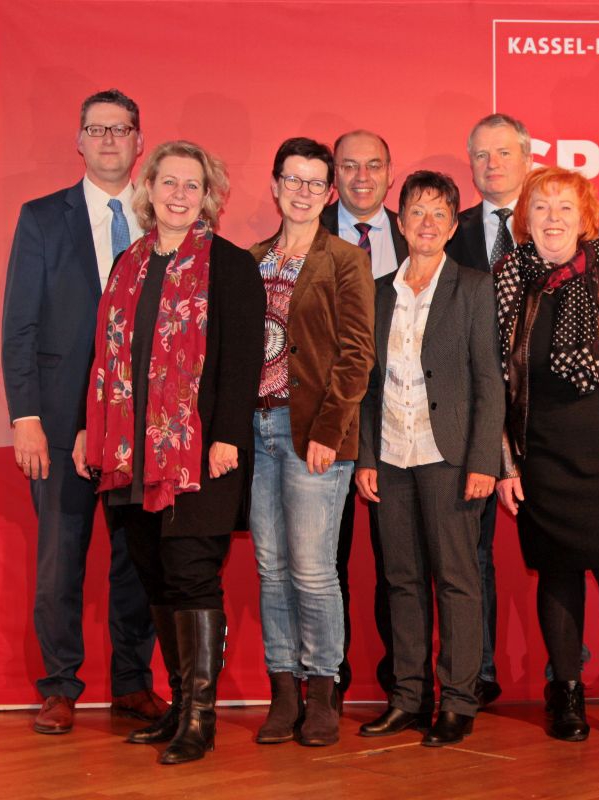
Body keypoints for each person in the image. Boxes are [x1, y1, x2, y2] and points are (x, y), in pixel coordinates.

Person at [77, 139, 266, 764]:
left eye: (192, 185)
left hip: (200, 455)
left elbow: (243, 361)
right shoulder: (127, 263)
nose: (179, 195)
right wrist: (86, 429)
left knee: (190, 574)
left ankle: (200, 719)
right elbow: (105, 356)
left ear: (208, 196)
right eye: (169, 183)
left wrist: (228, 436)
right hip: (131, 454)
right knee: (154, 573)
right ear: (149, 189)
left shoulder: (229, 265)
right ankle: (180, 703)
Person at [1, 88, 163, 735]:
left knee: (137, 562)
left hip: (141, 426)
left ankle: (133, 684)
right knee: (59, 562)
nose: (108, 140)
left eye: (120, 129)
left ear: (139, 142)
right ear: (79, 141)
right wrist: (26, 419)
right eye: (96, 129)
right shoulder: (42, 218)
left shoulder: (163, 218)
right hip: (58, 423)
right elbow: (19, 326)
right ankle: (59, 687)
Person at [496, 166, 599, 744]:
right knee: (558, 574)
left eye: (565, 207)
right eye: (541, 207)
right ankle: (565, 693)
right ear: (525, 218)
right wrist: (505, 462)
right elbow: (492, 380)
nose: (553, 218)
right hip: (541, 454)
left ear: (585, 217)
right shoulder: (507, 279)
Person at [355, 171, 504, 747]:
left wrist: (484, 461)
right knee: (402, 580)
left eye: (440, 213)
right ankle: (408, 698)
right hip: (391, 455)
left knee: (457, 581)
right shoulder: (378, 291)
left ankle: (458, 701)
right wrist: (366, 455)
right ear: (400, 222)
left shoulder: (473, 287)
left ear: (453, 225)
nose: (427, 223)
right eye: (417, 211)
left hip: (450, 457)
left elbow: (489, 381)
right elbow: (366, 385)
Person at [243, 138, 375, 747]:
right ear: (275, 186)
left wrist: (328, 430)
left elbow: (357, 354)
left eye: (314, 182)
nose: (302, 192)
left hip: (316, 436)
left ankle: (322, 691)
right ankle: (283, 692)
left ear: (329, 193)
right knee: (271, 568)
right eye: (292, 180)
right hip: (257, 431)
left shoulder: (345, 260)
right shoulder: (250, 259)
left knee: (314, 570)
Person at [445, 112, 533, 707]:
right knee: (470, 556)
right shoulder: (451, 231)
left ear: (527, 157)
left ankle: (566, 676)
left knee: (560, 553)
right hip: (472, 417)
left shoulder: (555, 219)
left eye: (503, 152)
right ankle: (476, 673)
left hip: (546, 417)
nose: (492, 164)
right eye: (480, 154)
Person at [321, 129, 407, 704]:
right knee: (325, 563)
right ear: (335, 174)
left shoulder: (418, 231)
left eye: (373, 165)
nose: (361, 177)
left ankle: (402, 681)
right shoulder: (305, 232)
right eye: (349, 165)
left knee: (398, 563)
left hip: (399, 426)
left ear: (390, 173)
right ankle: (329, 677)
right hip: (328, 423)